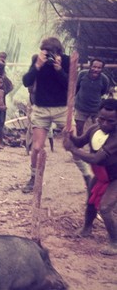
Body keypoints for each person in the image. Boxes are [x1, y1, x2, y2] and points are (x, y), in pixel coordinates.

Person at [21, 37, 92, 193]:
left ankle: (87, 176)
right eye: (45, 52)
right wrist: (37, 66)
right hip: (41, 109)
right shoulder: (38, 60)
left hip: (62, 109)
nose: (48, 56)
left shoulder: (67, 61)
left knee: (73, 145)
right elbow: (26, 81)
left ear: (59, 51)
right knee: (37, 147)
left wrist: (60, 69)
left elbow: (72, 87)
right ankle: (33, 178)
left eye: (51, 52)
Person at [63, 98, 117, 256]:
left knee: (105, 208)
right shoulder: (94, 128)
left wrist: (72, 148)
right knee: (90, 202)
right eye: (102, 119)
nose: (105, 123)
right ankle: (87, 228)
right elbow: (79, 142)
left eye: (111, 121)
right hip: (102, 175)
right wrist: (70, 137)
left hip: (115, 177)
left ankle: (114, 241)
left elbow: (96, 159)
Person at [74, 58, 110, 136]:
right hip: (81, 107)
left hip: (96, 109)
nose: (96, 69)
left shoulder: (105, 79)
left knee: (98, 129)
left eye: (99, 68)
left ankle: (94, 146)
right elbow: (76, 88)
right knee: (79, 129)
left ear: (102, 69)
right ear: (90, 66)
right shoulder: (82, 74)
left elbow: (103, 92)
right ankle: (79, 146)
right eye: (94, 67)